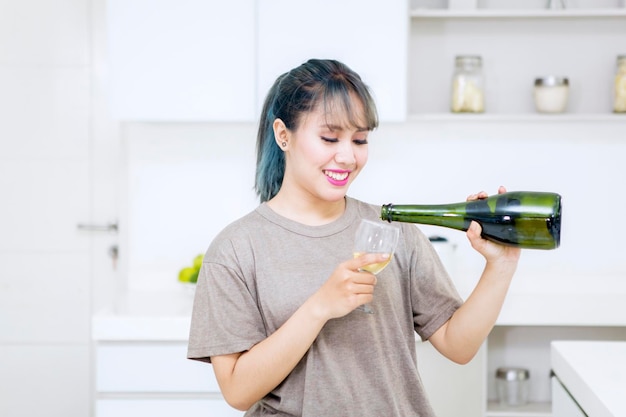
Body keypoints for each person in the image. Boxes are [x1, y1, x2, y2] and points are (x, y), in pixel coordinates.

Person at [187, 58, 520, 416]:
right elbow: (237, 390)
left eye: (359, 139)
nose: (347, 156)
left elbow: (459, 345)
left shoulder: (393, 228)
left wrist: (501, 265)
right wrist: (319, 308)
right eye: (329, 137)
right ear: (283, 134)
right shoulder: (236, 249)